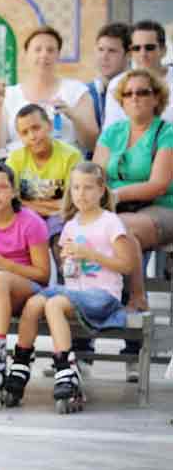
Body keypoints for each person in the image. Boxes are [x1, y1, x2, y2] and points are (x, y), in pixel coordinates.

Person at [4, 162, 134, 411]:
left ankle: (66, 367)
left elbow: (127, 265)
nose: (81, 194)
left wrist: (90, 254)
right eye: (75, 188)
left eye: (88, 188)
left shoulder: (111, 222)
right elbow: (67, 269)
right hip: (75, 292)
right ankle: (20, 363)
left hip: (103, 295)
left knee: (53, 304)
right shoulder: (71, 225)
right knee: (34, 303)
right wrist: (69, 263)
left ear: (101, 190)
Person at [93, 68, 173, 380]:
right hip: (117, 211)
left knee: (119, 231)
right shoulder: (112, 132)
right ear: (121, 100)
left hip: (161, 209)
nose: (136, 98)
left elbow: (159, 184)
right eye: (129, 93)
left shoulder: (165, 132)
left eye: (144, 92)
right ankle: (94, 328)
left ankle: (138, 303)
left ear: (157, 98)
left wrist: (116, 193)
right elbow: (94, 174)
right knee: (96, 231)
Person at [0, 162, 49, 405]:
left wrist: (4, 264)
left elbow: (42, 275)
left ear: (15, 191)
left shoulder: (30, 222)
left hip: (25, 291)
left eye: (2, 187)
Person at [0, 25, 98, 157]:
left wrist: (73, 116)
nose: (44, 54)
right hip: (19, 171)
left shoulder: (76, 91)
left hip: (65, 170)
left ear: (58, 55)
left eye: (51, 50)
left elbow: (92, 144)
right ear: (26, 55)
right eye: (37, 49)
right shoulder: (9, 95)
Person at [7, 103, 81, 247]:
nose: (32, 136)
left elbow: (70, 205)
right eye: (25, 132)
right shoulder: (15, 159)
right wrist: (50, 207)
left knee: (60, 233)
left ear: (49, 125)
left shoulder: (71, 156)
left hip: (62, 219)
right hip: (26, 219)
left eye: (36, 128)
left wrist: (27, 203)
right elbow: (11, 201)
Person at [103, 20, 173, 128]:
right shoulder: (117, 84)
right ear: (130, 53)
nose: (143, 54)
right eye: (136, 48)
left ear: (163, 50)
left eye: (149, 48)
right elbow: (111, 134)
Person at [87, 23, 131, 131]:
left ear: (128, 55)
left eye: (112, 51)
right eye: (100, 50)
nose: (104, 57)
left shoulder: (138, 92)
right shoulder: (86, 92)